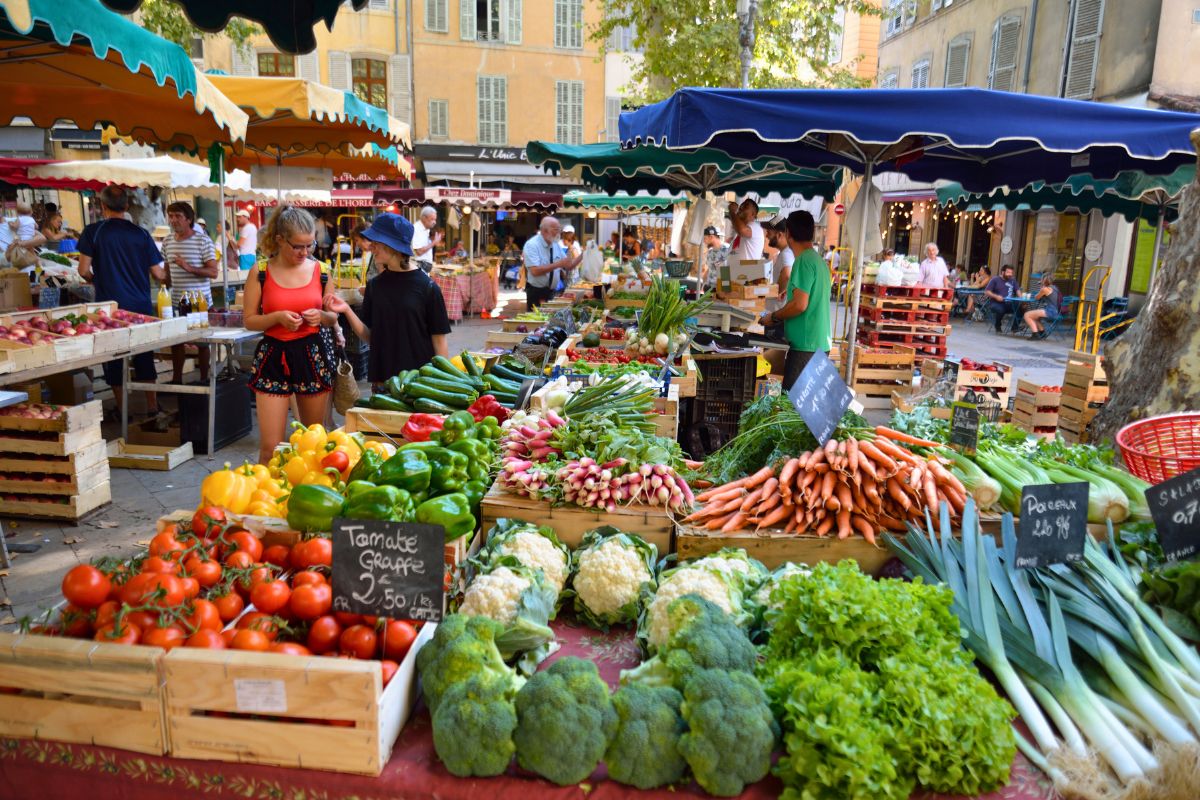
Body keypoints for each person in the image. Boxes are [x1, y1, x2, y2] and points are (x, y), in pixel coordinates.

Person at [243, 206, 339, 465]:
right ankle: (264, 498)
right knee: (270, 448)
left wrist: (321, 316)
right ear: (279, 239)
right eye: (298, 246)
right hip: (273, 354)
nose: (304, 252)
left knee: (313, 441)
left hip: (311, 353)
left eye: (310, 245)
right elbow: (249, 320)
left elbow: (333, 316)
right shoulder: (260, 271)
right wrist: (277, 318)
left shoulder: (322, 271)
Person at [325, 213, 452, 388]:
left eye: (376, 243)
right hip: (382, 382)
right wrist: (346, 309)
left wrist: (443, 384)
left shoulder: (428, 287)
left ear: (393, 246)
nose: (371, 248)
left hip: (420, 384)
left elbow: (439, 341)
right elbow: (370, 336)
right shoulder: (375, 286)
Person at [77, 186, 164, 422]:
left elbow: (83, 270)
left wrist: (99, 280)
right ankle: (152, 407)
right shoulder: (142, 234)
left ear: (102, 206)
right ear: (126, 206)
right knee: (144, 354)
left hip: (109, 308)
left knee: (113, 356)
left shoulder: (93, 232)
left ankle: (122, 408)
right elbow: (159, 273)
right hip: (140, 305)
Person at [758, 211, 830, 390]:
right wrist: (788, 295)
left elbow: (800, 305)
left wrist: (773, 317)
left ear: (788, 233)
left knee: (793, 405)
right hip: (817, 343)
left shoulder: (803, 261)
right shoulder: (817, 260)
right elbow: (807, 297)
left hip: (806, 346)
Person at [162, 201, 217, 384]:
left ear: (189, 219)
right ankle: (177, 379)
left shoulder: (203, 241)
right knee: (176, 341)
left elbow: (213, 272)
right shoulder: (167, 241)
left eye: (178, 216)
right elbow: (167, 271)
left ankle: (204, 379)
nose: (173, 220)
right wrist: (162, 282)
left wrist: (188, 267)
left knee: (201, 342)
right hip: (176, 300)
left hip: (198, 301)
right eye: (171, 216)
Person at [523, 216, 582, 311]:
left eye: (559, 229)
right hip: (536, 292)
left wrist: (584, 255)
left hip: (552, 292)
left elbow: (569, 265)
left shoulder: (555, 245)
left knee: (549, 322)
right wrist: (558, 264)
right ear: (545, 230)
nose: (559, 232)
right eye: (556, 229)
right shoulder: (532, 245)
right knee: (536, 323)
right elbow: (535, 271)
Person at [1023, 274, 1062, 339]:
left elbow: (1036, 297)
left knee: (1027, 315)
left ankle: (1035, 335)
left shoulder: (1045, 289)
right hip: (1056, 311)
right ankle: (1042, 332)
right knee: (1034, 317)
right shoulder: (1055, 288)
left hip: (1050, 311)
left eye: (1041, 279)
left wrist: (1042, 288)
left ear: (1043, 281)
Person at [727, 197, 764, 265]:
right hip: (736, 273)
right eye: (741, 206)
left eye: (745, 207)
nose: (741, 208)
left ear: (753, 214)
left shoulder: (755, 227)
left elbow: (741, 230)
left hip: (747, 274)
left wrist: (732, 212)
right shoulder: (742, 230)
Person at [983, 265, 1019, 333]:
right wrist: (996, 296)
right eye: (1008, 272)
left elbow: (1017, 290)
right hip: (996, 303)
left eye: (1011, 273)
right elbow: (987, 291)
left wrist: (1022, 299)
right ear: (1003, 272)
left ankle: (1015, 327)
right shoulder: (995, 279)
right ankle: (998, 325)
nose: (1010, 274)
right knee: (1000, 310)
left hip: (1009, 303)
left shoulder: (1013, 280)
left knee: (1021, 307)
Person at [411, 206, 442, 273]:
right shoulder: (417, 229)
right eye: (432, 219)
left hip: (423, 267)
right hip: (419, 266)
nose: (434, 222)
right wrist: (434, 243)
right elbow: (419, 252)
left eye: (435, 219)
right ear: (424, 218)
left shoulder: (426, 230)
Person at [701, 225, 729, 292]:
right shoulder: (710, 252)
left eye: (705, 238)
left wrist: (725, 291)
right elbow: (709, 269)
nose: (704, 242)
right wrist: (701, 285)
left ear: (711, 237)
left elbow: (727, 272)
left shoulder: (727, 250)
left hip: (720, 289)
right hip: (709, 288)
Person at [232, 208, 258, 272]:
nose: (237, 219)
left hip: (245, 255)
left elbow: (239, 245)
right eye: (237, 217)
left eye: (239, 217)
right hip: (252, 255)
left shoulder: (246, 228)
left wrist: (230, 239)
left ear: (245, 217)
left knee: (245, 276)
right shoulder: (253, 226)